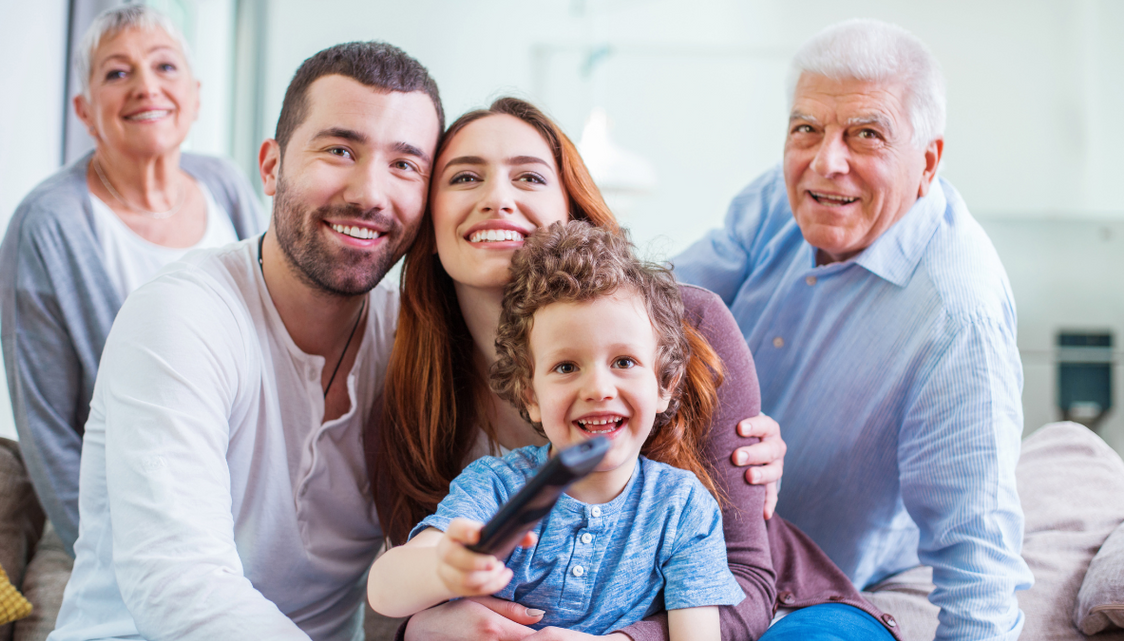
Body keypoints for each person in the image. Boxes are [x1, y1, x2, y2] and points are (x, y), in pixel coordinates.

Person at [368, 97, 898, 641]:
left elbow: (743, 579)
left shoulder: (682, 326)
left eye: (528, 177)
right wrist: (435, 606)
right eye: (465, 178)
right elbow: (391, 594)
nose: (497, 199)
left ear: (569, 205)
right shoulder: (425, 401)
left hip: (777, 612)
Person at [45, 41, 442, 641]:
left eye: (405, 165)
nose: (370, 193)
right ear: (271, 166)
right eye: (339, 149)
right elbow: (179, 583)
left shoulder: (408, 339)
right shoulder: (182, 313)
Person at [672, 19, 1034, 639]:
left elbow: (978, 557)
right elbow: (658, 312)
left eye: (866, 135)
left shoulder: (956, 316)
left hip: (823, 584)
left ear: (928, 162)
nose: (826, 161)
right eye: (805, 129)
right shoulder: (777, 199)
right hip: (698, 541)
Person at [369, 221, 746, 639]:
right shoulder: (494, 489)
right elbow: (384, 591)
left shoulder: (683, 508)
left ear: (664, 386)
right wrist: (445, 568)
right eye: (566, 367)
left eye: (623, 362)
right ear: (531, 395)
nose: (599, 389)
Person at [0, 4, 263, 558]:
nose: (146, 87)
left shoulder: (227, 184)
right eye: (117, 73)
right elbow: (47, 433)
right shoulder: (46, 224)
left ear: (194, 92)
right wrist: (111, 554)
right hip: (123, 529)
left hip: (249, 511)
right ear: (85, 111)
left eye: (165, 67)